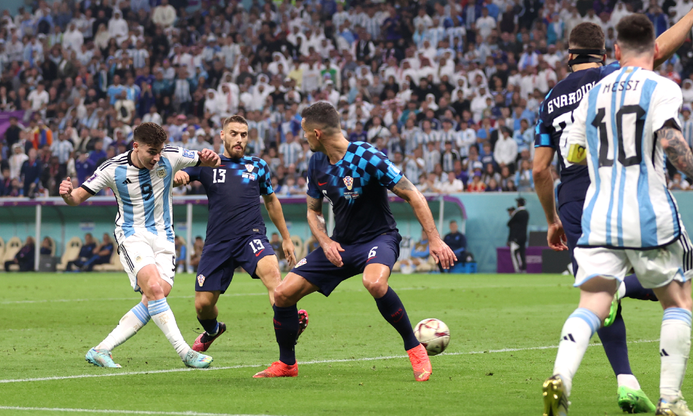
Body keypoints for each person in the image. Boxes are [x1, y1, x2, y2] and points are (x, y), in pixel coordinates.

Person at [533, 0, 693, 413]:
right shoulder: (642, 83)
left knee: (593, 300)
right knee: (678, 297)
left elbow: (564, 155)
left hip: (590, 205)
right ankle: (670, 400)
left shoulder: (563, 98)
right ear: (608, 52)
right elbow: (672, 141)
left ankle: (562, 378)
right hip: (645, 203)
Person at [253, 102, 456, 380]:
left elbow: (413, 194)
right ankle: (287, 364)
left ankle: (415, 348)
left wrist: (435, 240)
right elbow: (313, 211)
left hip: (379, 239)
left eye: (304, 133)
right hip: (340, 245)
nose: (303, 138)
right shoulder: (316, 163)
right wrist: (324, 241)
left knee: (373, 282)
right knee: (282, 294)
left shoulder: (367, 156)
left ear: (317, 133)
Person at [59, 122, 221, 369]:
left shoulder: (171, 155)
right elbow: (77, 198)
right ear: (136, 146)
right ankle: (186, 353)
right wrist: (66, 195)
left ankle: (101, 350)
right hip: (132, 235)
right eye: (151, 152)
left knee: (156, 296)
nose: (157, 158)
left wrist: (210, 158)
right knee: (155, 290)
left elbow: (208, 160)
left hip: (165, 238)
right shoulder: (112, 169)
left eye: (160, 151)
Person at [173, 115, 308, 354]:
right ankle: (214, 330)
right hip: (218, 242)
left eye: (243, 135)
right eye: (234, 133)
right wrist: (179, 177)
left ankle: (289, 325)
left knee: (272, 272)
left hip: (251, 237)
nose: (239, 139)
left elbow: (272, 201)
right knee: (203, 306)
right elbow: (175, 178)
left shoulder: (257, 166)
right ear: (222, 136)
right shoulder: (206, 164)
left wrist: (286, 237)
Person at [507, 198, 529, 273]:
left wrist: (510, 239)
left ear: (519, 204)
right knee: (522, 253)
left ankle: (517, 269)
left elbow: (509, 223)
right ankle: (524, 268)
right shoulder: (526, 213)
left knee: (514, 253)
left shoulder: (518, 213)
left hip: (516, 237)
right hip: (524, 236)